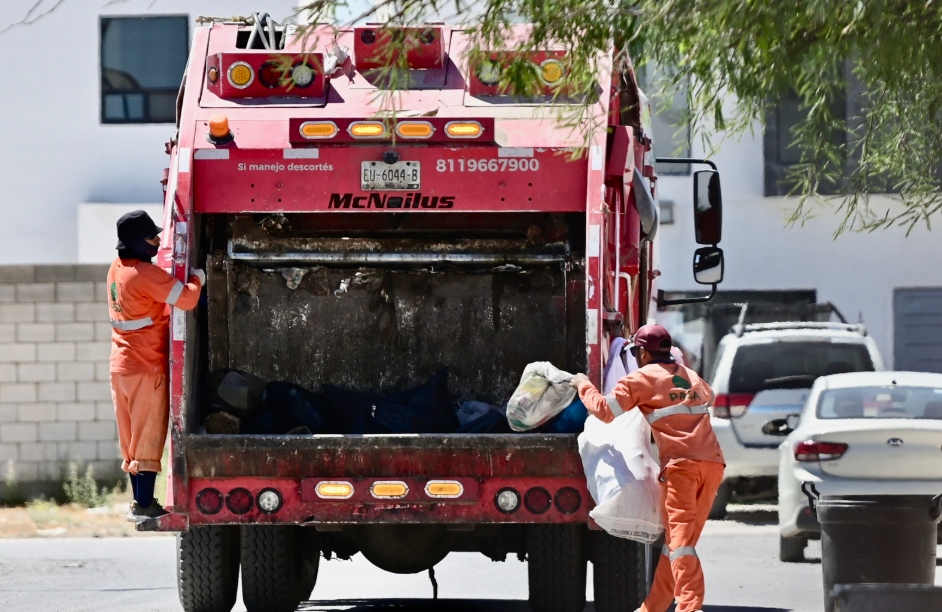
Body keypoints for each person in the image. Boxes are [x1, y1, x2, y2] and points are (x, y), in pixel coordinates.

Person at [570, 324, 725, 612]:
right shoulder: (689, 375)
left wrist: (583, 384)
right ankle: (651, 608)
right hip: (713, 463)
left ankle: (690, 608)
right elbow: (709, 396)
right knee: (679, 543)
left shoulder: (640, 379)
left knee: (680, 542)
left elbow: (605, 411)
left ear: (642, 352)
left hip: (682, 468)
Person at [107, 210, 205, 521]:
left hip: (120, 366)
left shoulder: (116, 269)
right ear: (137, 243)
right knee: (148, 434)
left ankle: (138, 501)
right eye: (152, 237)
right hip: (146, 366)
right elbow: (187, 299)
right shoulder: (145, 274)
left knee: (131, 437)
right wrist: (198, 278)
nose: (158, 240)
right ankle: (145, 504)